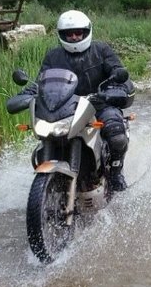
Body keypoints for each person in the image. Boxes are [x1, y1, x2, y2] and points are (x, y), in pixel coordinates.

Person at [24, 10, 135, 191]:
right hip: (65, 106)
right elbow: (41, 81)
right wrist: (29, 92)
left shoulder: (101, 50)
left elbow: (118, 71)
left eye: (78, 32)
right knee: (49, 134)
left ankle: (115, 172)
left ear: (86, 32)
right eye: (69, 33)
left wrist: (115, 90)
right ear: (62, 35)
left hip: (99, 103)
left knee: (116, 134)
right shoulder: (53, 56)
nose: (74, 37)